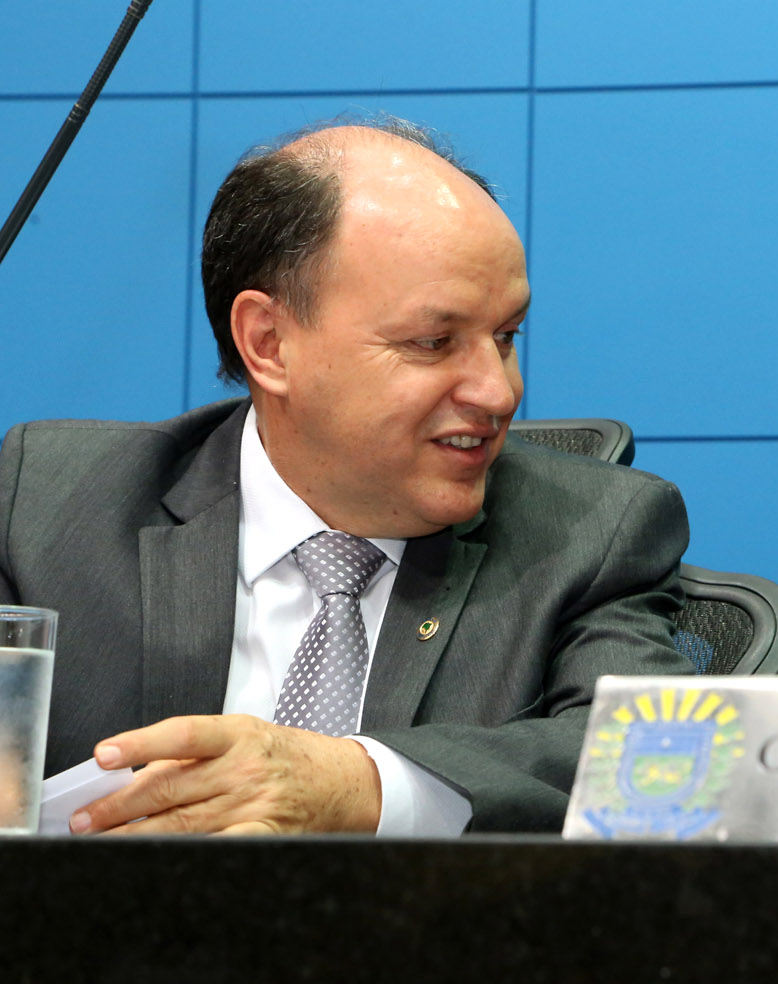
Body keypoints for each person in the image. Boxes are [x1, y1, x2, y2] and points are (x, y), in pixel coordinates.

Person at [0, 116, 692, 836]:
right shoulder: (50, 501)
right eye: (434, 341)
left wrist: (355, 782)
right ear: (269, 344)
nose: (498, 392)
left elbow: (660, 764)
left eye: (505, 337)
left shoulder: (590, 535)